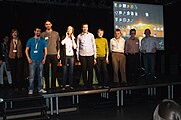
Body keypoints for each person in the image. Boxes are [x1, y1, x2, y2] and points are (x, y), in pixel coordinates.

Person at [25, 27, 48, 95]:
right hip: (32, 60)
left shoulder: (43, 40)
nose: (38, 32)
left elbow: (46, 50)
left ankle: (40, 88)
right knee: (31, 76)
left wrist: (44, 58)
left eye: (39, 31)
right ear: (34, 31)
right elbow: (26, 50)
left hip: (40, 60)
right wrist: (28, 58)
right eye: (37, 31)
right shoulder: (30, 40)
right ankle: (31, 89)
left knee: (40, 75)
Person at [41, 20, 60, 90]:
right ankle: (47, 86)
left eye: (49, 24)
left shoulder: (56, 33)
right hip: (46, 55)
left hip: (54, 54)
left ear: (51, 25)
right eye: (46, 24)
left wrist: (58, 53)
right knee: (46, 71)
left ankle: (53, 86)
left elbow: (58, 44)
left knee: (54, 71)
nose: (48, 25)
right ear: (45, 25)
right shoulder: (42, 34)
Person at [76, 23, 96, 88]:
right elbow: (77, 46)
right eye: (84, 27)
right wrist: (77, 56)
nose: (85, 28)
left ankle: (90, 84)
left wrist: (95, 56)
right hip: (82, 55)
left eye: (86, 27)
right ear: (82, 28)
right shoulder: (79, 36)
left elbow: (94, 45)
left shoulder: (91, 35)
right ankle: (85, 84)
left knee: (90, 70)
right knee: (84, 70)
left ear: (88, 28)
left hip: (90, 54)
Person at [60, 26, 76, 91]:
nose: (69, 30)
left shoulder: (74, 38)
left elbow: (75, 47)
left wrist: (72, 39)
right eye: (68, 29)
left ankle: (71, 85)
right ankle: (63, 85)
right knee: (64, 71)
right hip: (65, 56)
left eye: (70, 29)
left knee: (71, 71)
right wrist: (67, 37)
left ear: (72, 31)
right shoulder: (64, 37)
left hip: (71, 56)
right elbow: (62, 43)